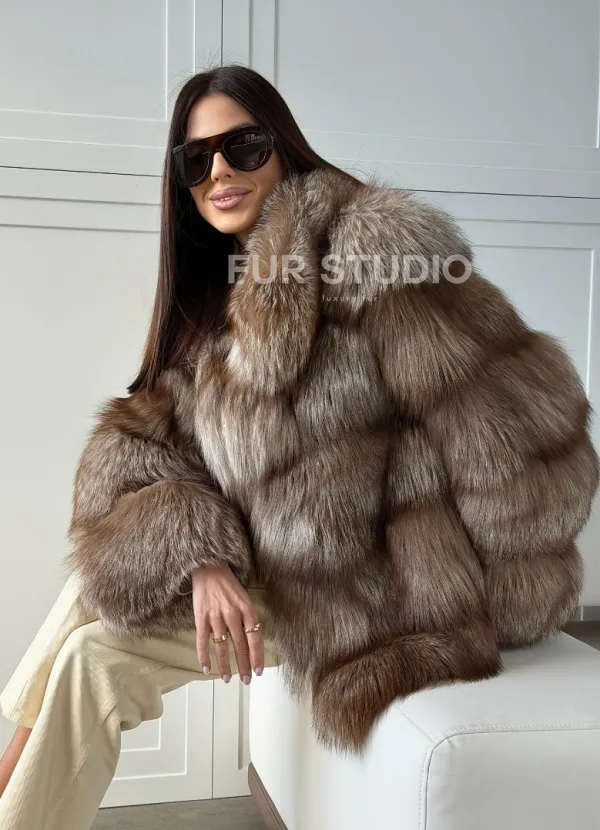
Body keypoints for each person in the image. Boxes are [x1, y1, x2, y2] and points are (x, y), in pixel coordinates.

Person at [0, 63, 598, 829]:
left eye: (243, 146)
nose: (219, 171)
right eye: (196, 160)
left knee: (94, 661)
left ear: (282, 146)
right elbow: (136, 451)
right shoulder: (222, 297)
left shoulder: (372, 251)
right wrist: (198, 554)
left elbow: (524, 426)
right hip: (293, 572)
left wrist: (494, 584)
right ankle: (10, 780)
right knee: (92, 586)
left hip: (387, 595)